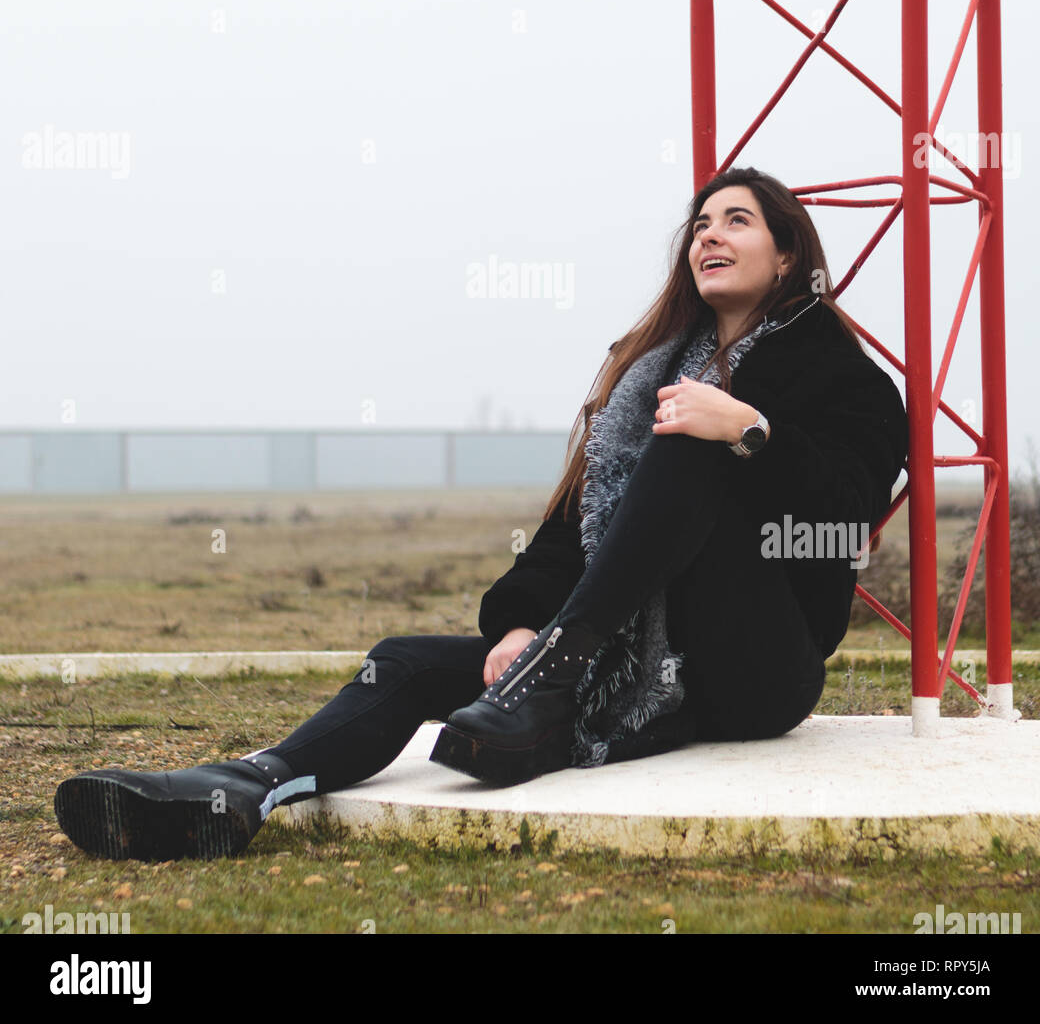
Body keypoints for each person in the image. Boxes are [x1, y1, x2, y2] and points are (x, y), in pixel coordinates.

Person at [54, 166, 908, 861]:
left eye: (737, 221)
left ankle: (551, 681)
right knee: (406, 663)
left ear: (791, 256)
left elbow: (846, 516)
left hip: (754, 670)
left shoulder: (841, 377)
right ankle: (246, 786)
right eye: (700, 224)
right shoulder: (650, 379)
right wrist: (521, 624)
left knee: (689, 440)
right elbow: (570, 534)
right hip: (609, 651)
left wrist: (749, 432)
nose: (709, 236)